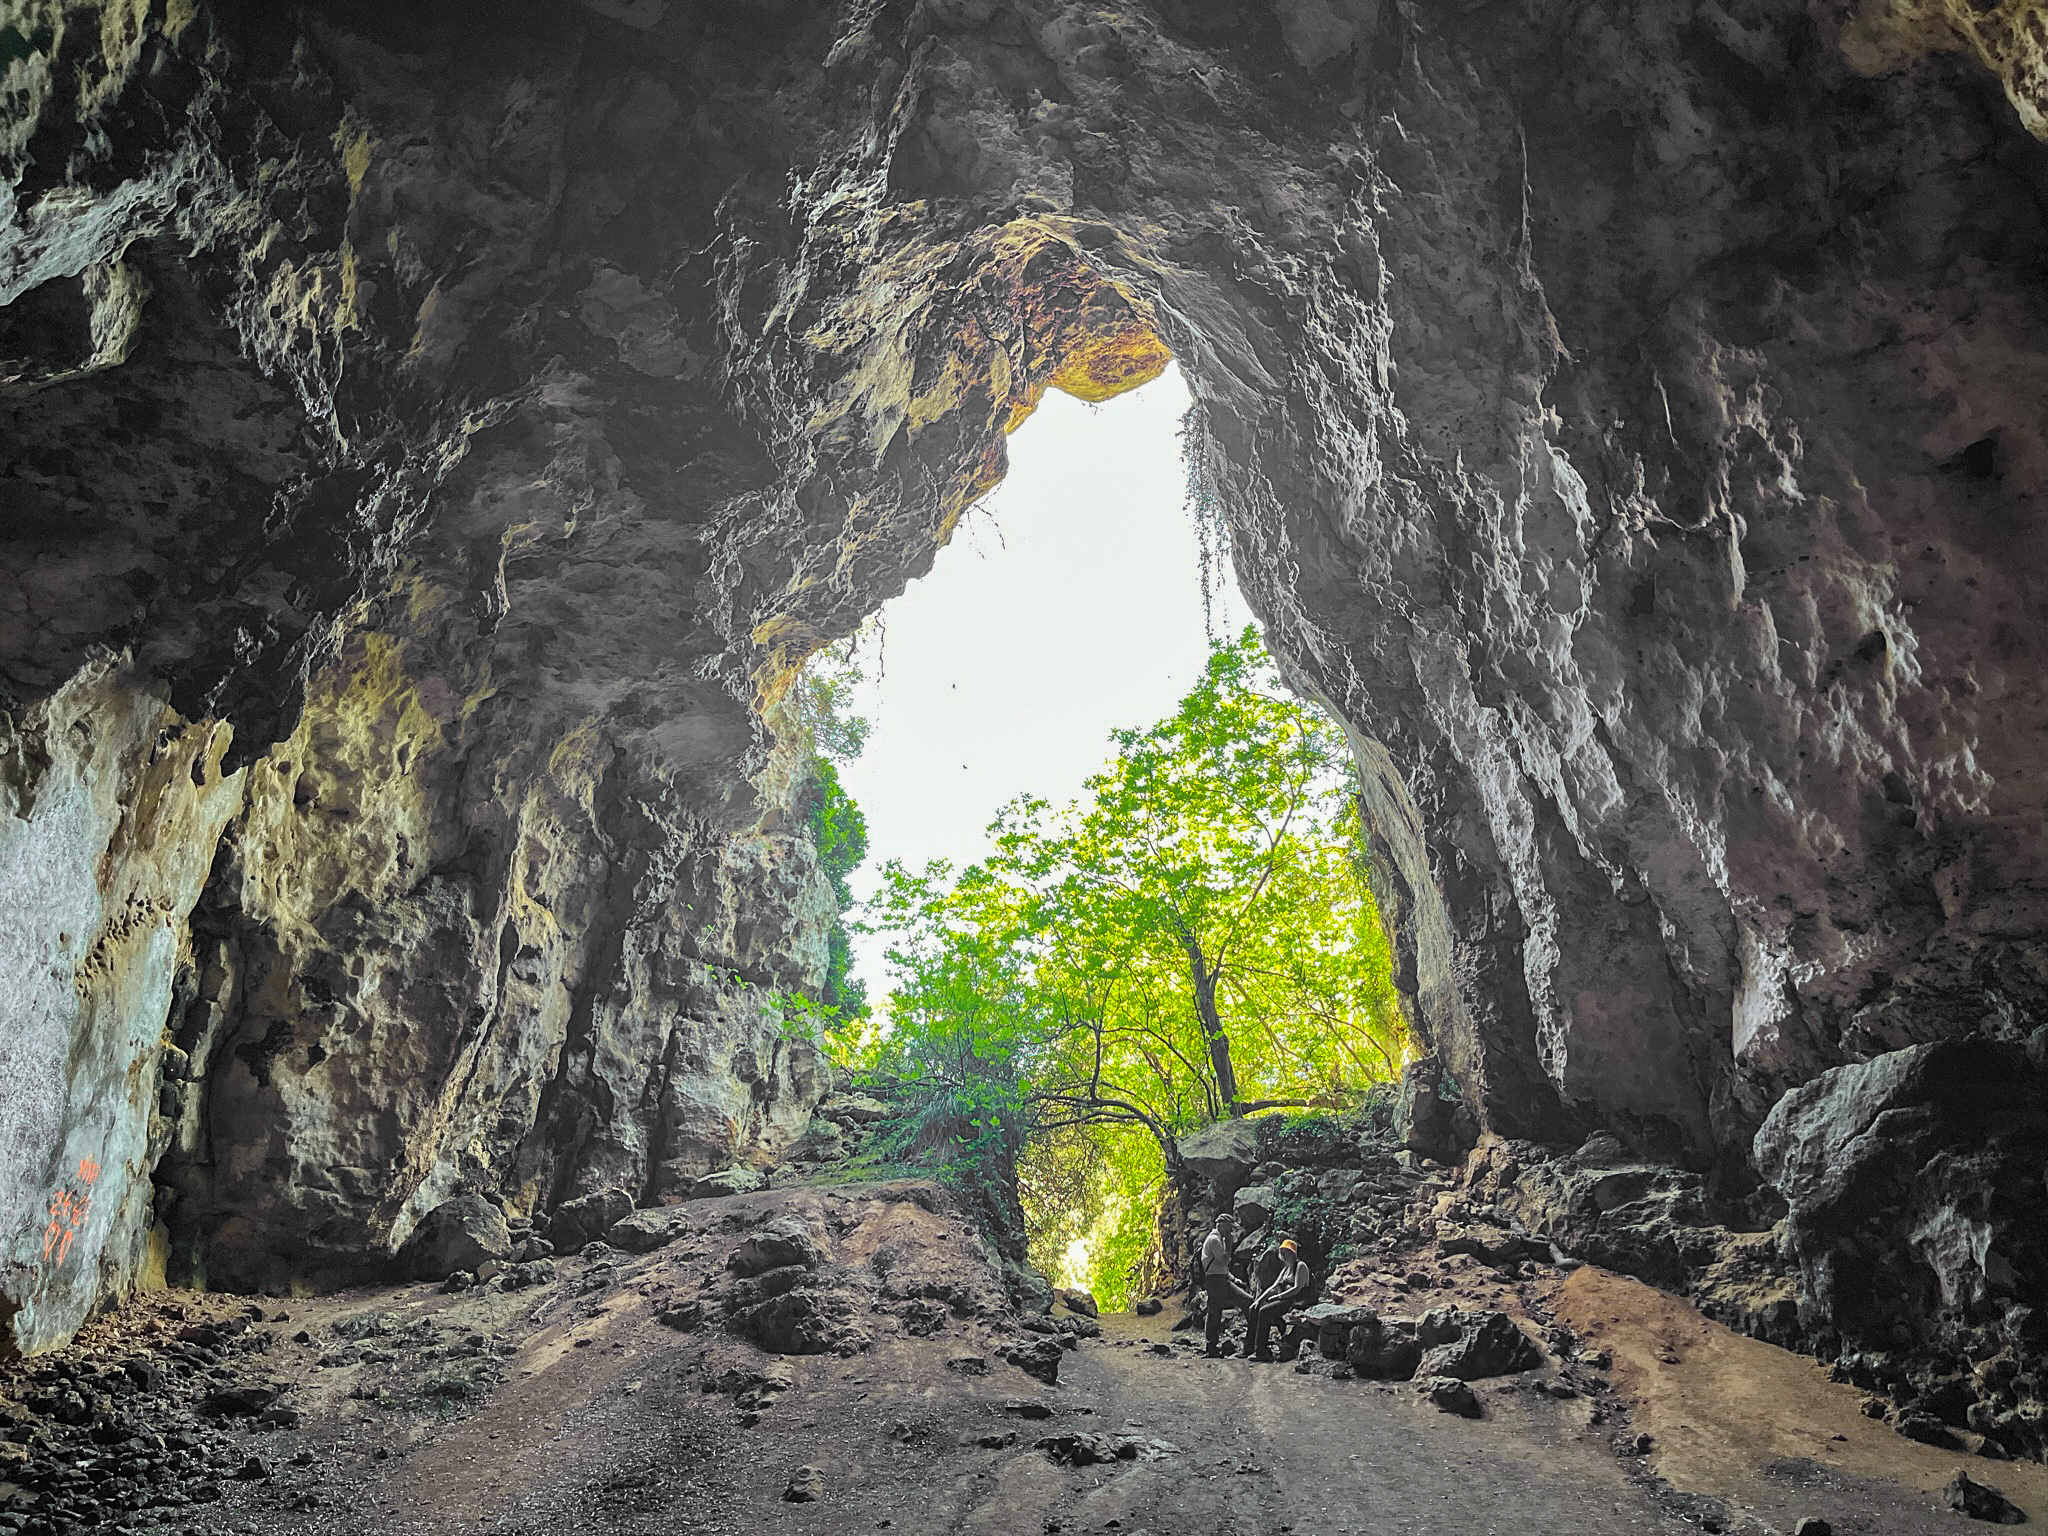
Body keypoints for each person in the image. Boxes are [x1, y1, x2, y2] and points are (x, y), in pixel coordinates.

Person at [1247, 1238, 1315, 1362]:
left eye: (1287, 1252)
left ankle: (1261, 1351)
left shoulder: (1300, 1266)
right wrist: (1259, 1300)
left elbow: (1297, 1288)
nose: (1283, 1255)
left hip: (1295, 1302)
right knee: (1255, 1308)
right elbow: (1274, 1286)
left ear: (1293, 1253)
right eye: (1282, 1252)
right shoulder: (1285, 1269)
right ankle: (1249, 1347)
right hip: (1285, 1300)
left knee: (1265, 1311)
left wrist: (1278, 1297)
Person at [1197, 1212, 1254, 1358]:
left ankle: (1250, 1342)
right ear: (1222, 1226)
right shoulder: (1215, 1240)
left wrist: (1234, 1279)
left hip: (1222, 1279)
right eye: (1229, 1228)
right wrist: (1229, 1243)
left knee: (1247, 1302)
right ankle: (1211, 1347)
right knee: (1214, 1312)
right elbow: (1223, 1261)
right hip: (1215, 1281)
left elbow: (1221, 1267)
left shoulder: (1218, 1239)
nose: (1231, 1232)